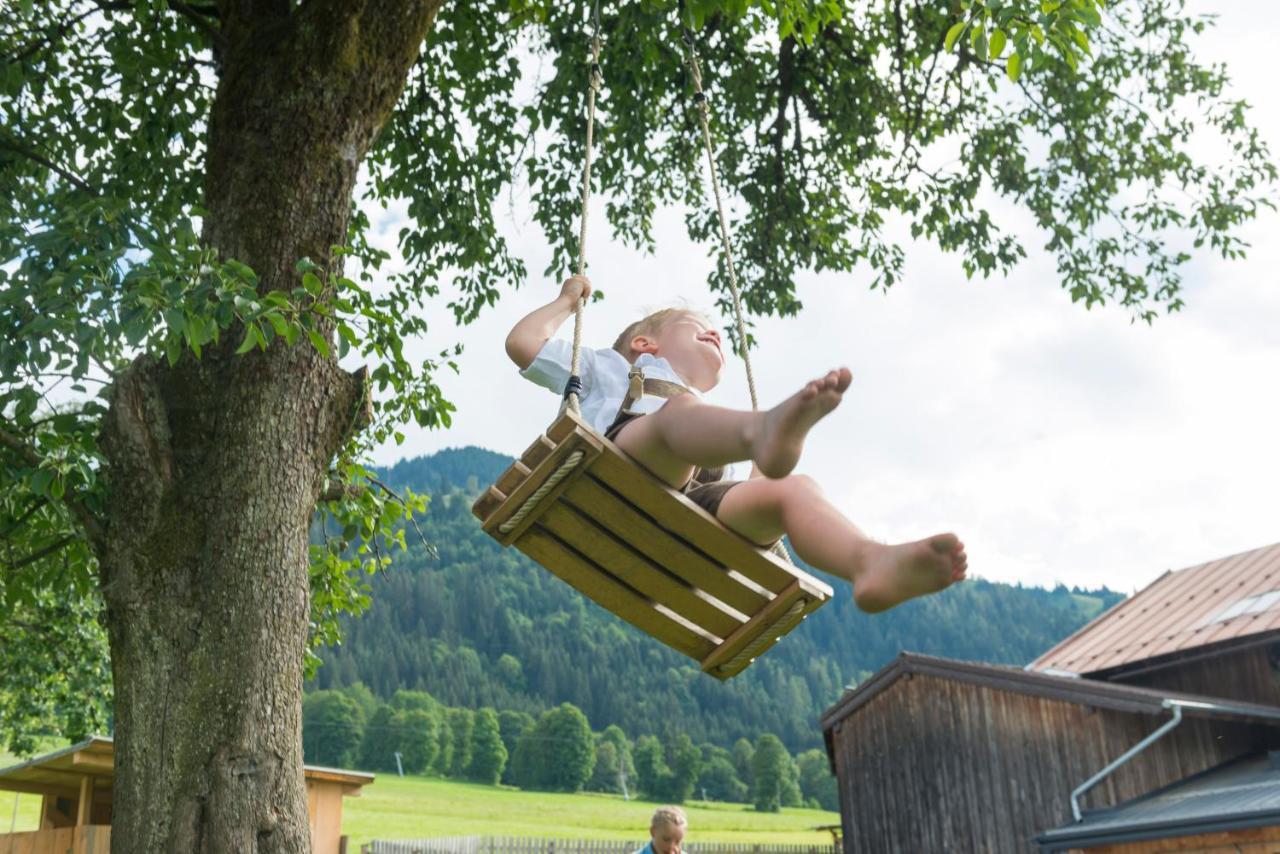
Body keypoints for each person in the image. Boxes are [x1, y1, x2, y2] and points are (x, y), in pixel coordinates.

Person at [505, 274, 967, 613]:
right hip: (618, 471)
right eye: (694, 325)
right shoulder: (606, 367)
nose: (715, 333)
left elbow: (707, 456)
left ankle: (868, 560)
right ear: (645, 343)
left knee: (793, 488)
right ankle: (762, 432)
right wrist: (567, 301)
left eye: (717, 333)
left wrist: (762, 477)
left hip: (691, 522)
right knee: (678, 417)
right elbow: (524, 343)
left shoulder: (704, 419)